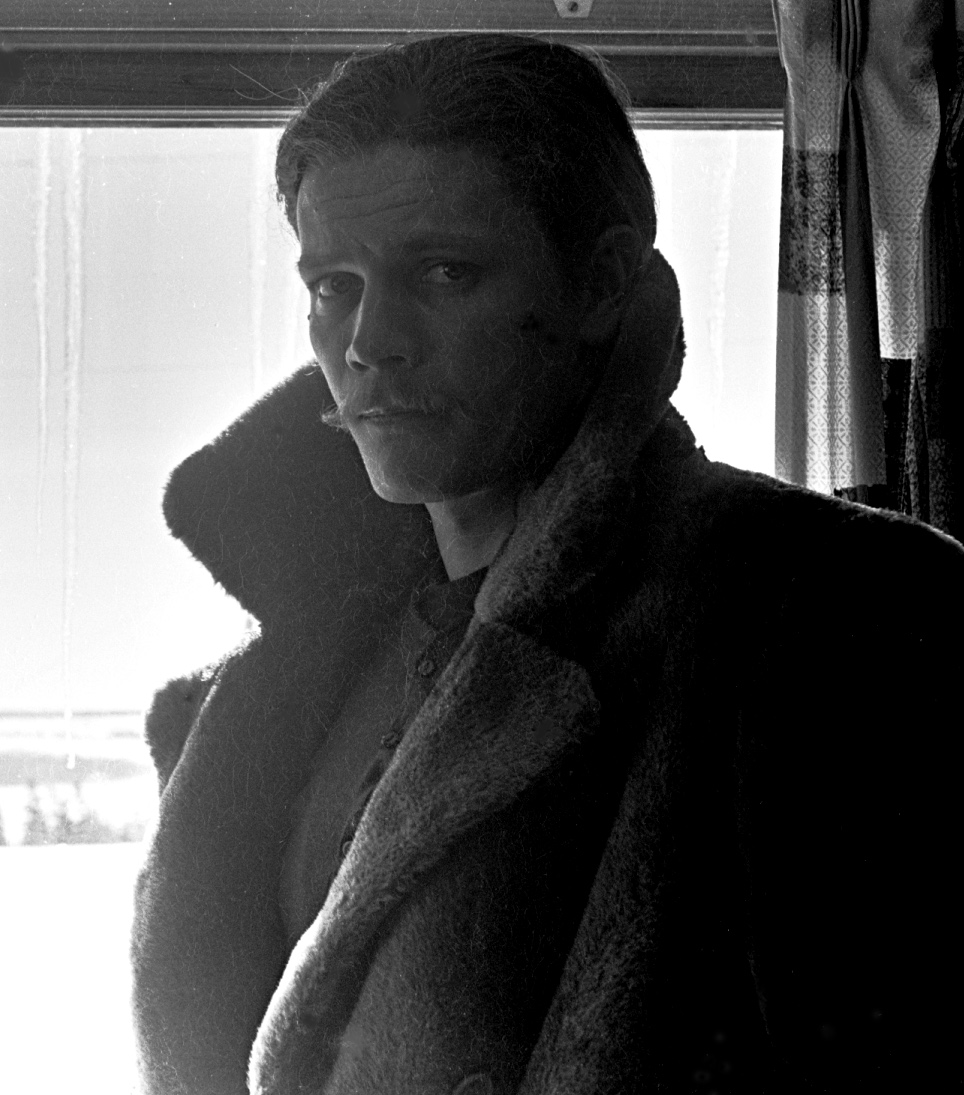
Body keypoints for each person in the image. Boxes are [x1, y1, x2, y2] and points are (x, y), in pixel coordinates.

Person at [131, 34, 961, 1095]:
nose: (371, 340)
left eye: (444, 272)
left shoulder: (832, 612)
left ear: (601, 284)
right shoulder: (283, 676)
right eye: (333, 285)